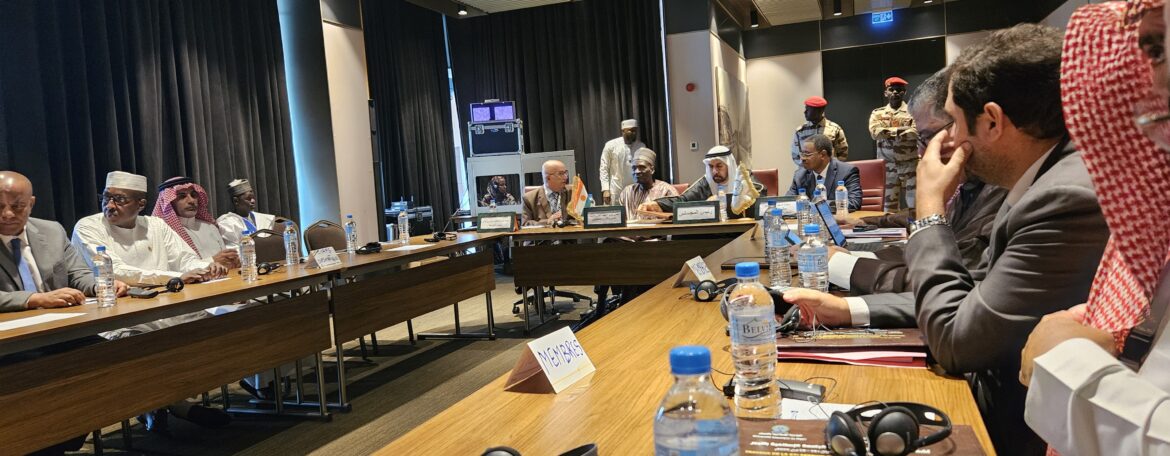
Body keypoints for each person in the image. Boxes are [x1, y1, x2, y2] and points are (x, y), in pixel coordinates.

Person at [785, 25, 1108, 455]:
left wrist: (929, 209)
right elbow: (975, 297)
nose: (947, 143)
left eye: (952, 123)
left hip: (1016, 428)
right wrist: (849, 309)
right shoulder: (1040, 179)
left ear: (991, 121)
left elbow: (958, 338)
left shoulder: (1063, 197)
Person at [1020, 2, 1170, 453]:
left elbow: (963, 339)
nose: (1151, 81)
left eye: (1159, 51)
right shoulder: (1148, 215)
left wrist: (1066, 363)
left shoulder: (1062, 192)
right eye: (1153, 49)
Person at [71, 171, 230, 432]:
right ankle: (165, 407)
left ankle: (172, 402)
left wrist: (205, 267)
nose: (110, 205)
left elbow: (184, 258)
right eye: (106, 198)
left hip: (165, 306)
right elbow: (117, 271)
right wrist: (174, 277)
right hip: (118, 312)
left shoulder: (156, 226)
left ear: (141, 204)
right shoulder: (88, 226)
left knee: (207, 327)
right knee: (141, 343)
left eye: (120, 199)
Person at [827, 70, 1007, 295]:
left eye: (929, 136)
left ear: (989, 122)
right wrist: (856, 252)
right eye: (921, 140)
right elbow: (925, 245)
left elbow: (943, 284)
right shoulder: (973, 186)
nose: (923, 153)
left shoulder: (1007, 196)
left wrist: (839, 265)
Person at [0, 171, 128, 311]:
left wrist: (100, 285)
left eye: (17, 207)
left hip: (59, 318)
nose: (7, 214)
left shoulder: (52, 231)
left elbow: (77, 274)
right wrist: (35, 299)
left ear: (31, 204)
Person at [638, 146, 764, 215]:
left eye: (719, 166)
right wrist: (658, 204)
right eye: (711, 167)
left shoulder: (744, 178)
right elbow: (683, 200)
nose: (714, 171)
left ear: (729, 165)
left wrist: (723, 200)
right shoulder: (705, 183)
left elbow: (761, 198)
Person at [154, 177, 239, 269]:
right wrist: (212, 260)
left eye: (193, 195)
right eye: (182, 196)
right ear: (169, 202)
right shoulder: (164, 233)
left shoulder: (211, 227)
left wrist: (233, 261)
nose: (191, 201)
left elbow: (226, 262)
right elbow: (170, 269)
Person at [869, 76, 919, 212]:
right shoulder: (878, 113)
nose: (895, 92)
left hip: (910, 165)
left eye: (899, 90)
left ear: (904, 92)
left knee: (915, 206)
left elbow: (916, 132)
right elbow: (875, 133)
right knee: (888, 208)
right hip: (888, 166)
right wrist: (902, 130)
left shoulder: (914, 112)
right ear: (886, 93)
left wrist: (888, 131)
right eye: (891, 89)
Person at [785, 134, 861, 211]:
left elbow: (854, 202)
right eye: (802, 154)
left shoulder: (847, 172)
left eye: (807, 154)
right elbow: (787, 203)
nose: (802, 158)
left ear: (823, 154)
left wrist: (818, 205)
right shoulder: (799, 175)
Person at [616, 148, 678, 220]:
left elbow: (677, 216)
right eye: (634, 168)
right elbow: (618, 217)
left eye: (642, 167)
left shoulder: (667, 190)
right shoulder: (627, 192)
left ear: (652, 170)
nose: (637, 171)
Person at [217, 178, 277, 250]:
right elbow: (233, 251)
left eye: (253, 197)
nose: (253, 201)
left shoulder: (261, 218)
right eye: (248, 198)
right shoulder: (227, 223)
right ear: (236, 201)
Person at [790, 96, 849, 165]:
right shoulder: (800, 131)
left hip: (830, 170)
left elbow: (843, 152)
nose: (805, 112)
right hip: (807, 170)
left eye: (808, 109)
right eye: (806, 109)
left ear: (820, 111)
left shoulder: (835, 129)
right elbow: (796, 155)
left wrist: (834, 167)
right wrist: (807, 167)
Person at [599, 119, 646, 204]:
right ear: (623, 131)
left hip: (635, 190)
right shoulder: (611, 145)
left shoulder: (641, 146)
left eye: (635, 130)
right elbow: (604, 168)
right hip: (616, 190)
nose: (633, 133)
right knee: (616, 212)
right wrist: (605, 189)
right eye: (630, 130)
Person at [522, 160, 571, 226]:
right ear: (548, 178)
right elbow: (525, 223)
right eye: (561, 174)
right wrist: (548, 222)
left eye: (566, 173)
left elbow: (581, 217)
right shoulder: (529, 198)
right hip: (545, 232)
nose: (566, 177)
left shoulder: (573, 192)